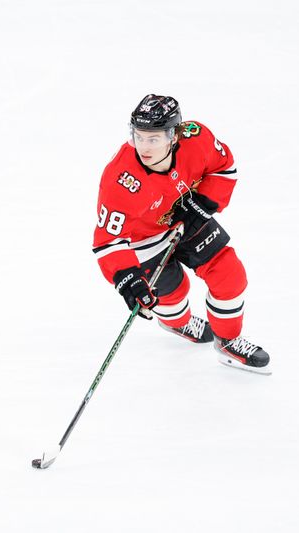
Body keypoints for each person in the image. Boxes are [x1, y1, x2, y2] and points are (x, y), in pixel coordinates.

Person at [92, 94, 270, 374]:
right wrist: (128, 280)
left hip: (186, 218)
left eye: (154, 139)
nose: (144, 147)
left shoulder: (196, 138)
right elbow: (108, 241)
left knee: (229, 274)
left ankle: (229, 342)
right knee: (173, 295)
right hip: (142, 241)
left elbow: (223, 168)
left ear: (174, 136)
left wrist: (204, 203)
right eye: (139, 136)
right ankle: (177, 322)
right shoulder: (119, 180)